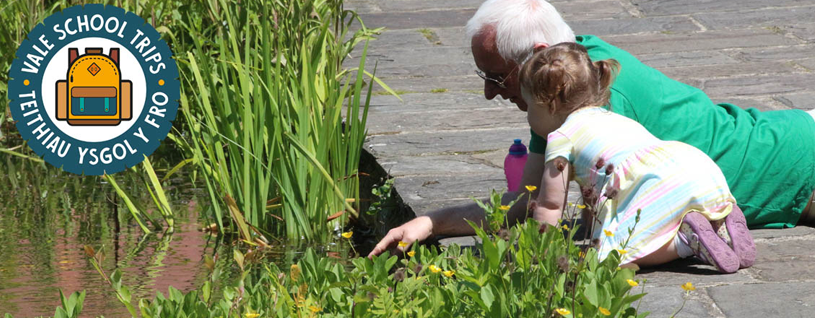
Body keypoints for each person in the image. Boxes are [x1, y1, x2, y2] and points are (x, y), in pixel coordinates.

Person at [368, 0, 815, 257]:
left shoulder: (581, 101)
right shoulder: (568, 80)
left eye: (496, 77)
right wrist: (432, 221)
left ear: (538, 55)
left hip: (792, 165)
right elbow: (526, 201)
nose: (490, 94)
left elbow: (540, 214)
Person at [518, 42, 755, 272]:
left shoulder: (561, 136)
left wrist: (538, 253)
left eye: (529, 106)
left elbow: (550, 204)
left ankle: (685, 241)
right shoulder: (612, 116)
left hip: (647, 183)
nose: (527, 115)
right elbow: (597, 192)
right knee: (659, 219)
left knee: (617, 255)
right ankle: (721, 224)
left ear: (549, 105)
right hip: (690, 163)